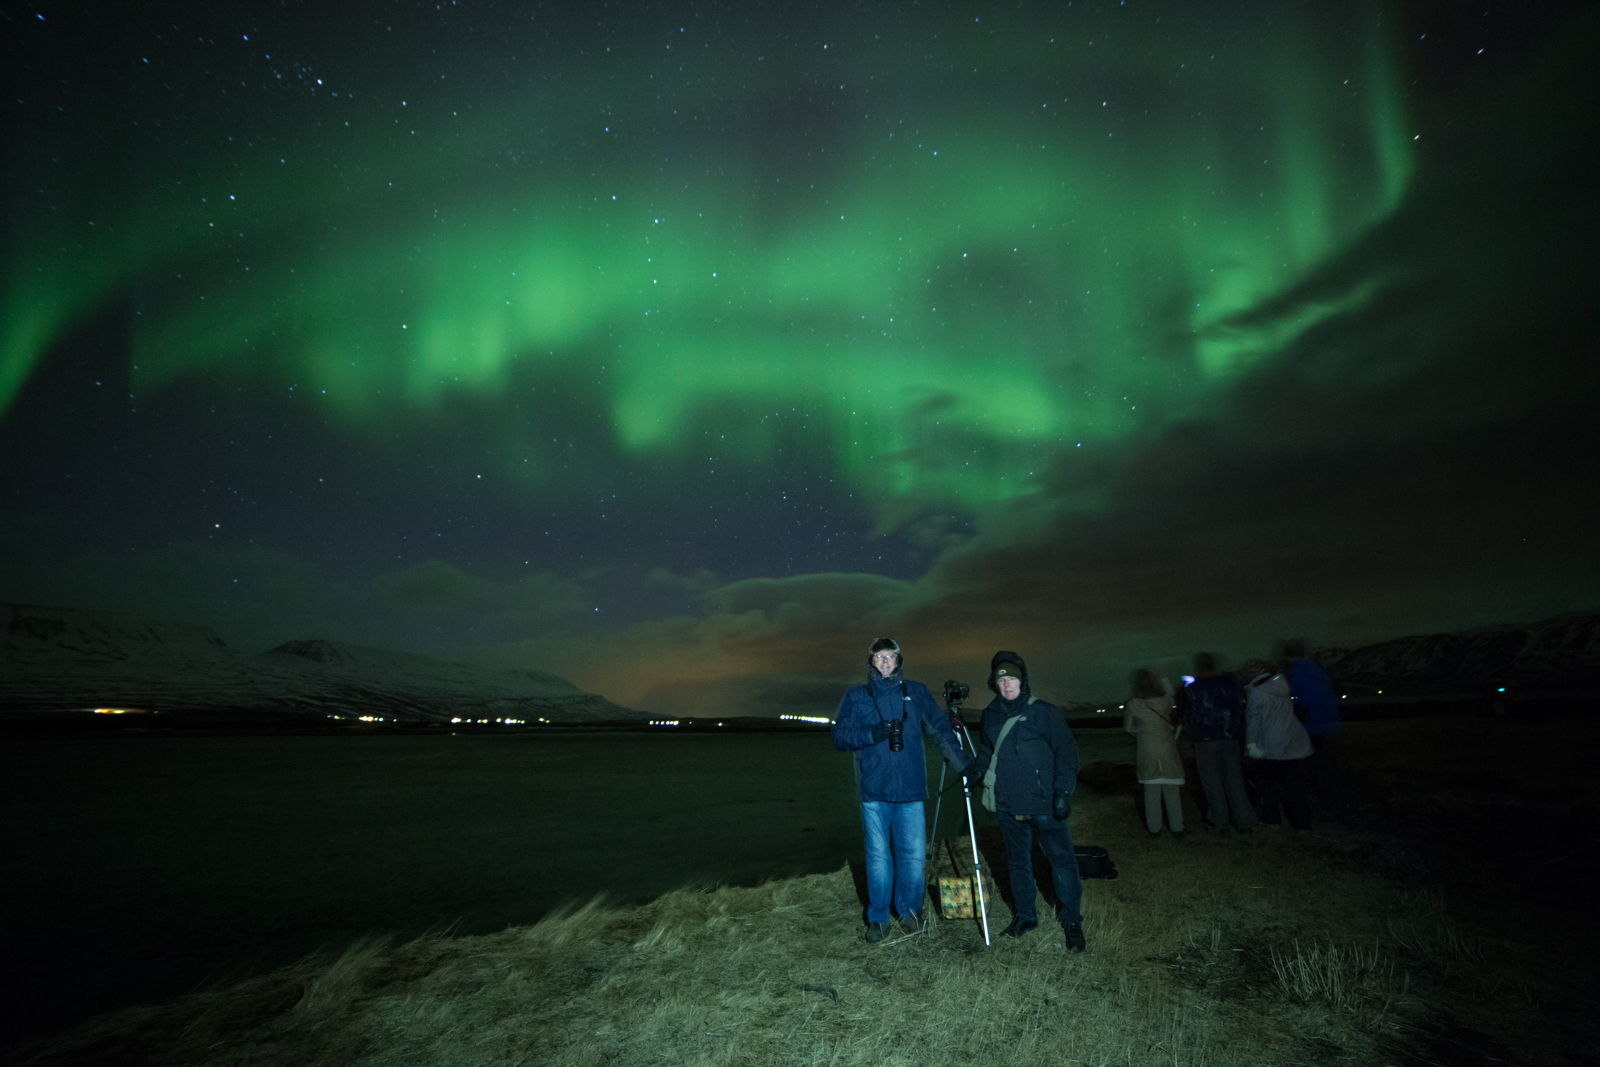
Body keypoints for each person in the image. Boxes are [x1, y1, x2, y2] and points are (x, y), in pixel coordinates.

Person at [831, 637, 969, 943]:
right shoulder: (856, 696)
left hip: (911, 792)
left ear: (898, 659)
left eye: (890, 655)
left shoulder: (916, 692)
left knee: (912, 857)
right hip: (874, 793)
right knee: (878, 858)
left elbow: (940, 727)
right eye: (878, 656)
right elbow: (839, 736)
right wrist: (871, 733)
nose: (884, 660)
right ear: (871, 662)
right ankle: (878, 918)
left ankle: (909, 912)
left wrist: (964, 766)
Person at [960, 651, 1086, 952]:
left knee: (1062, 862)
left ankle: (1071, 921)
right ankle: (1026, 916)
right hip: (1007, 803)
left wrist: (1062, 792)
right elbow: (988, 751)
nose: (1007, 685)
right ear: (995, 683)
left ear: (1023, 679)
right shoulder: (990, 714)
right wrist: (976, 770)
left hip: (1044, 804)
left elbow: (1066, 753)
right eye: (1001, 679)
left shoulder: (1044, 712)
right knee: (1018, 862)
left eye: (1012, 678)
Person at [1184, 653, 1256, 835]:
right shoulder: (1232, 684)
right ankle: (1244, 820)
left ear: (1200, 668)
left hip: (1205, 739)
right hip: (1230, 737)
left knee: (1212, 781)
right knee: (1234, 778)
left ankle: (1220, 821)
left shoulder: (1194, 688)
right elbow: (1241, 708)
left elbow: (1191, 714)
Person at [1281, 639, 1352, 823]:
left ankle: (1334, 808)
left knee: (1317, 771)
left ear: (1289, 656)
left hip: (1311, 728)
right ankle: (1337, 806)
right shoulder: (1317, 670)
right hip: (1326, 725)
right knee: (1324, 769)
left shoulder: (1298, 673)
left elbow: (1298, 703)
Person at [1244, 659, 1313, 829]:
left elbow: (1254, 720)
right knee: (1294, 784)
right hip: (1290, 739)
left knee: (1266, 783)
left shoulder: (1256, 692)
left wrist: (1250, 745)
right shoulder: (1281, 685)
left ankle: (1271, 819)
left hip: (1270, 744)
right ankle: (1302, 822)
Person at [1124, 668, 1185, 836]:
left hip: (1147, 751)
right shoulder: (1165, 701)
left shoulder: (1133, 705)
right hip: (1167, 750)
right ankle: (1177, 828)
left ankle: (1154, 829)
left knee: (1151, 793)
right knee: (1172, 791)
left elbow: (1128, 727)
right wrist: (1164, 678)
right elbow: (1171, 694)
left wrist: (1142, 732)